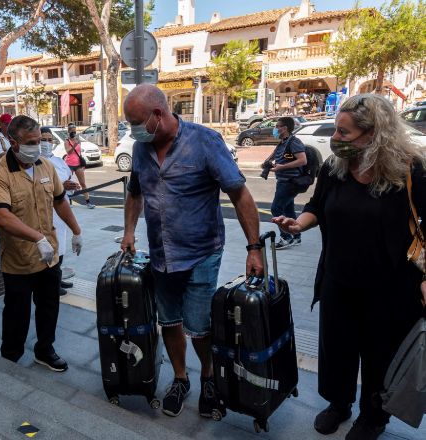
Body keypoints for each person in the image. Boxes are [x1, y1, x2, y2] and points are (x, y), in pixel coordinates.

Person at [272, 94, 426, 440]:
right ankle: (338, 404)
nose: (335, 139)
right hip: (338, 279)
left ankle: (373, 417)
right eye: (336, 131)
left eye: (344, 133)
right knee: (336, 348)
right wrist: (299, 224)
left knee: (379, 355)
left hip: (390, 287)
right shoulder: (335, 167)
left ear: (374, 134)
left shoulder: (410, 169)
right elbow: (316, 205)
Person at [121, 84, 263, 418]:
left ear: (158, 114)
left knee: (199, 326)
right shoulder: (142, 148)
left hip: (201, 253)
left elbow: (239, 194)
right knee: (169, 322)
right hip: (161, 256)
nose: (133, 131)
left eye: (136, 122)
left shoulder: (204, 141)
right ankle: (181, 379)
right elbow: (134, 191)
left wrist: (254, 248)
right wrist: (128, 231)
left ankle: (210, 378)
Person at [0, 115, 83, 372]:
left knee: (49, 306)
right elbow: (1, 215)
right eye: (31, 141)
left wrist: (76, 230)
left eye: (39, 140)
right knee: (16, 314)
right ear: (12, 142)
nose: (37, 146)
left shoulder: (46, 166)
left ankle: (45, 349)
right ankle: (10, 357)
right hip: (18, 259)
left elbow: (60, 200)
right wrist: (36, 237)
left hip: (49, 255)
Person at [40, 127, 80, 296]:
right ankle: (51, 284)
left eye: (50, 140)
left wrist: (70, 186)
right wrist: (60, 188)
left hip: (62, 209)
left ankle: (58, 278)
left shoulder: (59, 161)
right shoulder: (35, 163)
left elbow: (69, 179)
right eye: (43, 139)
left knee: (61, 246)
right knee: (52, 247)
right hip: (47, 211)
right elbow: (39, 188)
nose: (47, 143)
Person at [262, 116, 307, 249]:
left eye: (277, 126)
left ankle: (286, 237)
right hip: (283, 181)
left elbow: (302, 160)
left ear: (284, 128)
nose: (275, 129)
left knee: (276, 208)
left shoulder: (294, 142)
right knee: (288, 209)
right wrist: (266, 163)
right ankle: (296, 236)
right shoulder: (283, 142)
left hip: (290, 182)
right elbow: (277, 156)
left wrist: (282, 167)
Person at [64, 123, 95, 209]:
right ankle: (69, 202)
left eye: (75, 131)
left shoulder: (78, 140)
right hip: (69, 165)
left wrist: (82, 164)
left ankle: (88, 202)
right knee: (69, 184)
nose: (73, 133)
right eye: (72, 131)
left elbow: (79, 152)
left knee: (83, 183)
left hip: (78, 164)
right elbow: (68, 152)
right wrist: (74, 144)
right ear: (68, 132)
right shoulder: (67, 141)